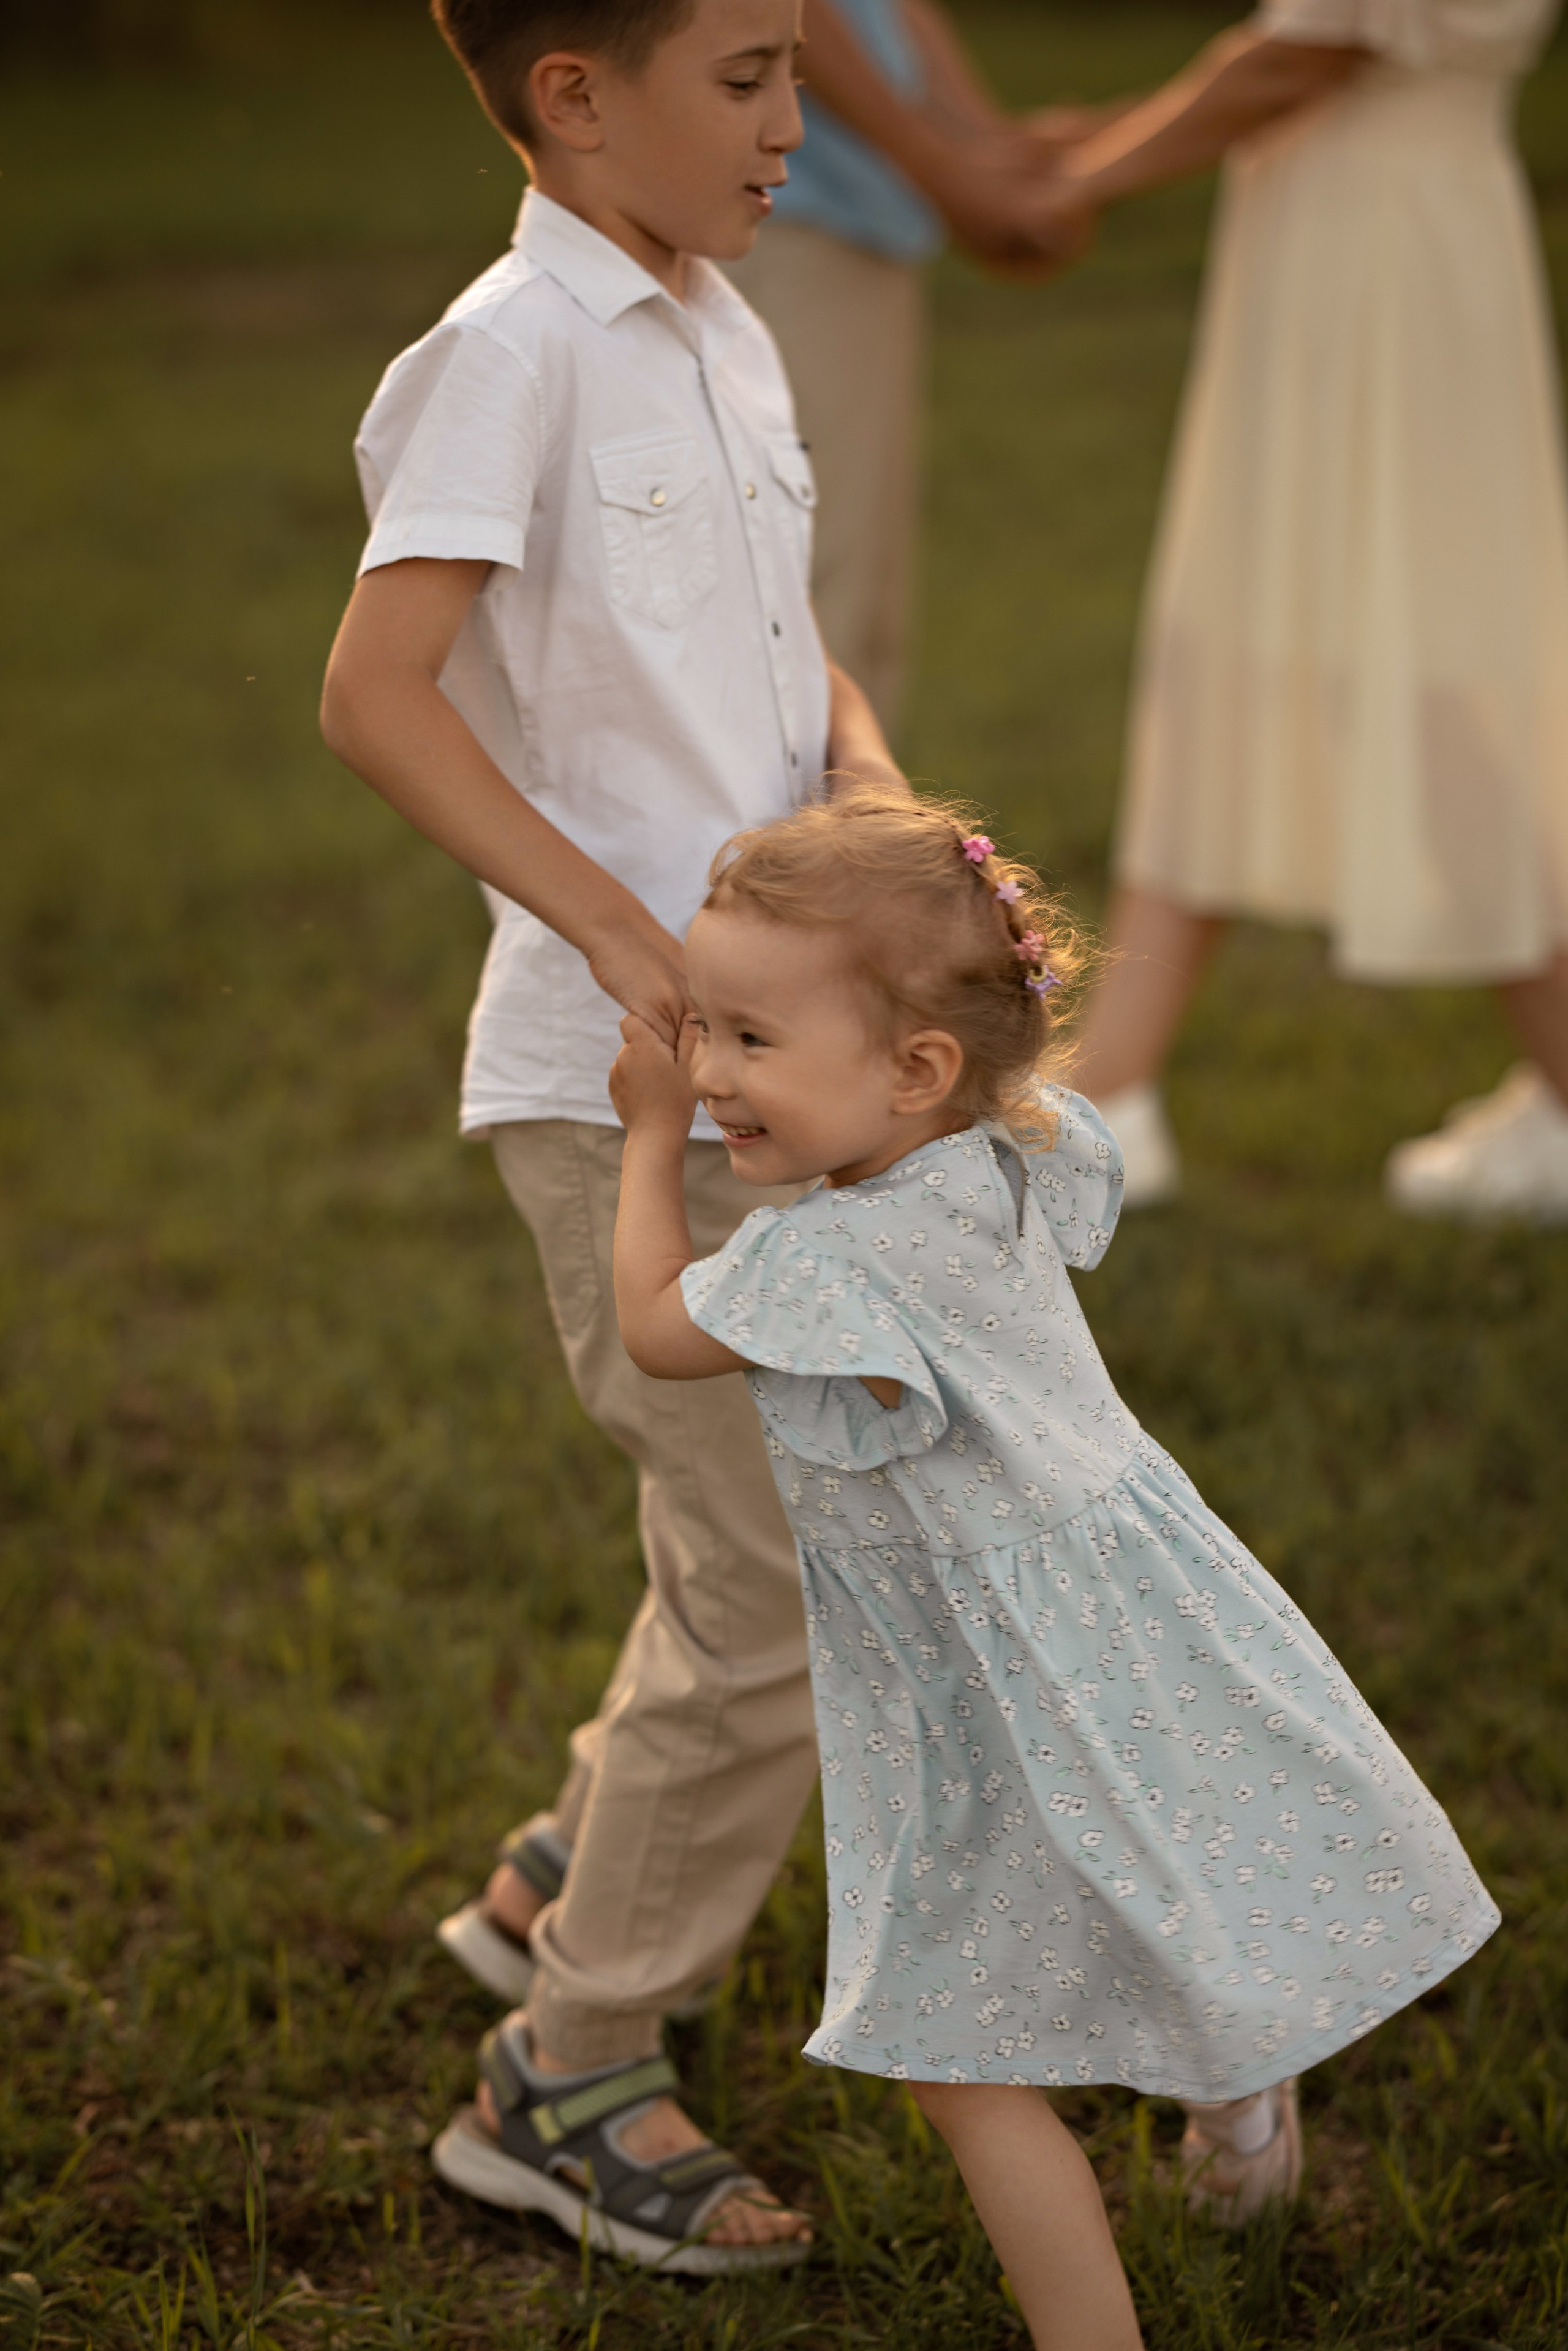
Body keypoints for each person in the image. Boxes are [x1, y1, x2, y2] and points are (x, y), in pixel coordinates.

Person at [605, 784, 1499, 2345]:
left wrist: (637, 1146)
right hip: (1123, 1606)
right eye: (699, 1034)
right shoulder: (1005, 1145)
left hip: (981, 1670)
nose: (703, 1073)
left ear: (915, 1067)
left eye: (747, 1041)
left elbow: (650, 1330)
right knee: (1156, 1865)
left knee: (960, 2062)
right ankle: (1240, 2128)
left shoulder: (824, 1256)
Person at [320, 0, 910, 2266]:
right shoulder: (513, 349)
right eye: (749, 76)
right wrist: (614, 935)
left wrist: (861, 781)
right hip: (619, 1089)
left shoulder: (720, 323)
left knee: (752, 1537)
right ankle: (560, 2073)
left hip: (784, 1060)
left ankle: (564, 1860)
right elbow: (373, 690)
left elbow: (780, 647)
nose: (795, 120)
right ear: (576, 96)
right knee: (776, 1584)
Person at [1034, 2, 1568, 1218]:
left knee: (1418, 663)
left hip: (1384, 255)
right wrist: (1110, 134)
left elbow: (1315, 42)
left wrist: (1080, 180)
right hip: (1359, 229)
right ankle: (1110, 1082)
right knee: (1243, 632)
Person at [725, 0, 1095, 728]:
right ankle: (786, 839)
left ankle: (838, 834)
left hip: (854, 222)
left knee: (855, 596)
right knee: (803, 589)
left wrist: (982, 143)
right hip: (778, 223)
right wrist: (946, 169)